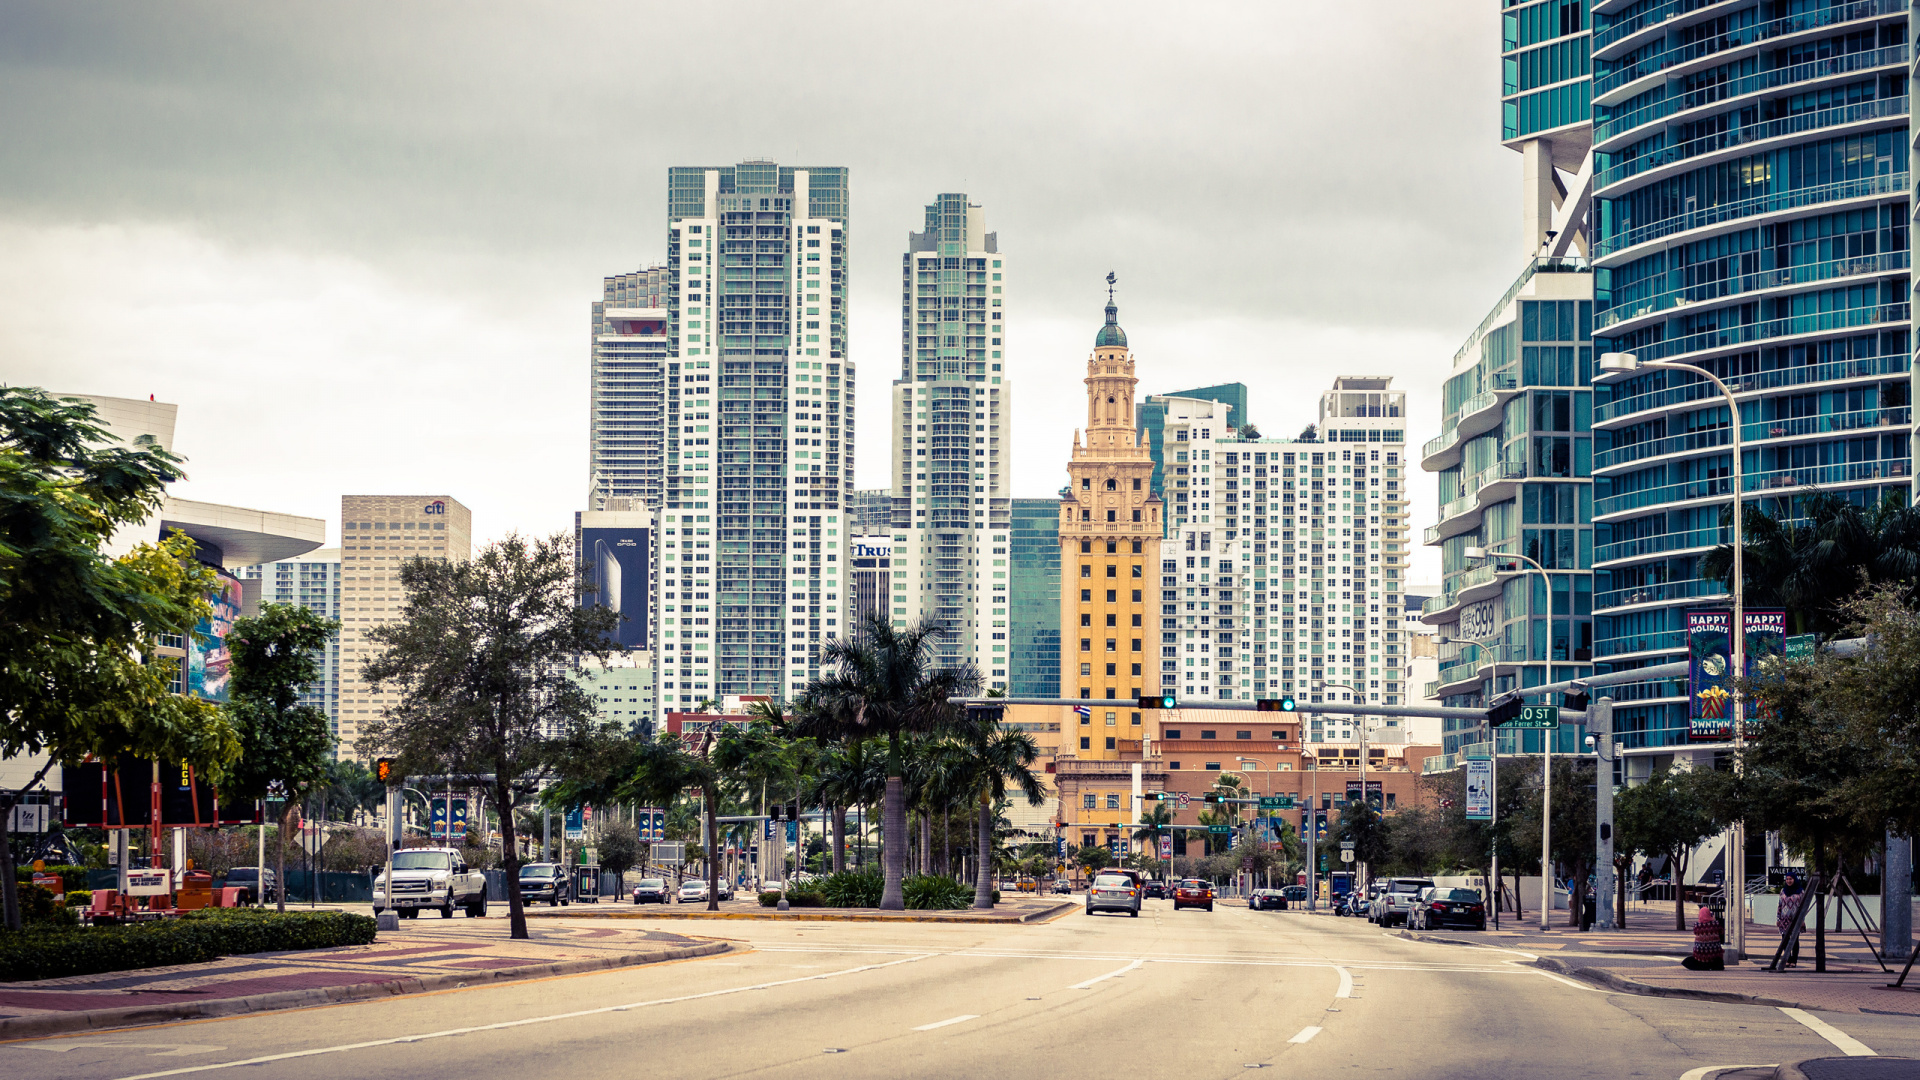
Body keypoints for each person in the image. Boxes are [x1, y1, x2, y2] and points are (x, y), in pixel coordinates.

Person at [1682, 906, 1724, 971]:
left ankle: (1703, 965)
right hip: (1714, 955)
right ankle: (1712, 965)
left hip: (1700, 955)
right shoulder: (1716, 924)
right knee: (1719, 963)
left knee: (1687, 961)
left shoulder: (1697, 926)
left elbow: (1695, 932)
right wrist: (1713, 919)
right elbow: (1721, 932)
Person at [1776, 873, 1804, 967]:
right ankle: (1787, 959)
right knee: (1785, 940)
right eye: (1787, 879)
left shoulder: (1800, 892)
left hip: (1796, 919)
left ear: (1794, 879)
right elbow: (1780, 905)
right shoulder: (1783, 891)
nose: (1788, 881)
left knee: (1795, 940)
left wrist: (1802, 920)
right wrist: (1778, 918)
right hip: (1784, 920)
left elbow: (1803, 907)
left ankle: (1794, 960)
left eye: (1790, 879)